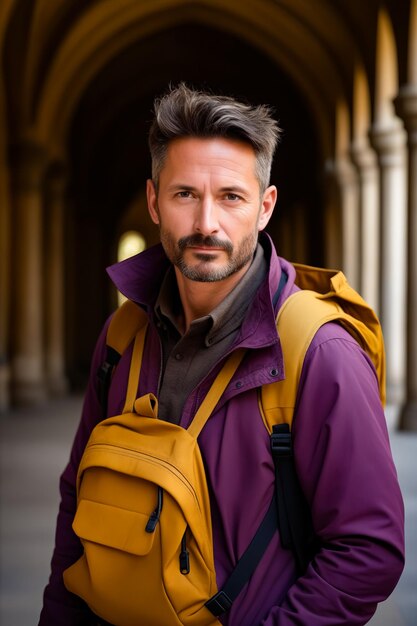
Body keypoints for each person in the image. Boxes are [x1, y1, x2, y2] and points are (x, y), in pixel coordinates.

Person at [39, 83, 404, 626]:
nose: (206, 223)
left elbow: (369, 549)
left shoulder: (320, 351)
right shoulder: (122, 335)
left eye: (231, 196)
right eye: (185, 194)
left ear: (265, 206)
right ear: (153, 202)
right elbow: (78, 499)